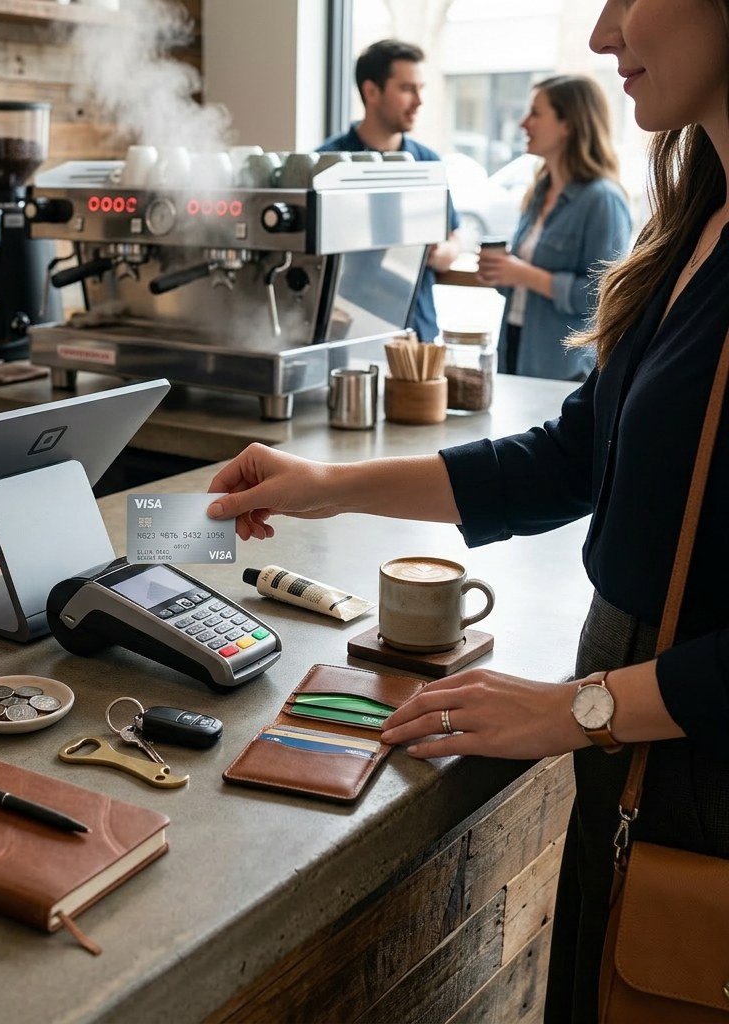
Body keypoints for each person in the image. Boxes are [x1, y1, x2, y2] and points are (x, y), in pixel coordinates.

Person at [207, 0, 729, 1020]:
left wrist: (575, 707)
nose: (602, 34)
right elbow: (569, 459)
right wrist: (324, 489)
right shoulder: (696, 222)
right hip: (638, 757)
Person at [476, 76, 632, 381]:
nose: (523, 123)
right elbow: (522, 284)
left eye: (535, 113)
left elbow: (604, 298)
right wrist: (500, 273)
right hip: (516, 346)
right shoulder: (538, 192)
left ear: (568, 125)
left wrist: (525, 275)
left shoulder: (603, 200)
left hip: (565, 369)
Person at [319, 39, 462, 343]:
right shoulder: (327, 165)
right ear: (372, 92)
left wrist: (440, 253)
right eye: (407, 89)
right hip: (345, 330)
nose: (419, 101)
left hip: (417, 332)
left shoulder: (427, 162)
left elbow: (453, 239)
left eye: (420, 89)